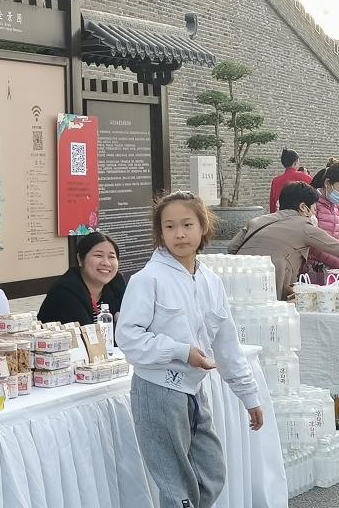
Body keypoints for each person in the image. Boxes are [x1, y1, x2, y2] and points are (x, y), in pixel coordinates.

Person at [116, 191, 263, 508]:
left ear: (203, 226)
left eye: (187, 224)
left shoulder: (210, 280)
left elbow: (226, 343)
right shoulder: (148, 279)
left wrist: (249, 396)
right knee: (176, 486)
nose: (179, 234)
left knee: (211, 474)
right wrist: (182, 351)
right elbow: (127, 337)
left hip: (193, 390)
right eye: (169, 227)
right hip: (157, 389)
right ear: (160, 233)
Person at [229, 182, 339, 300]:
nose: (314, 213)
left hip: (237, 277)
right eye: (314, 209)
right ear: (303, 207)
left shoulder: (257, 221)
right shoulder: (304, 226)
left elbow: (232, 247)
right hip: (271, 280)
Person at [37, 231, 126, 325]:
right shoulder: (65, 291)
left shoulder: (116, 282)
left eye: (111, 257)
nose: (106, 263)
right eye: (98, 255)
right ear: (80, 259)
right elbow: (86, 331)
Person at [269, 148, 311, 213]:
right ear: (295, 162)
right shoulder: (305, 177)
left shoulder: (276, 181)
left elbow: (273, 203)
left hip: (281, 215)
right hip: (302, 214)